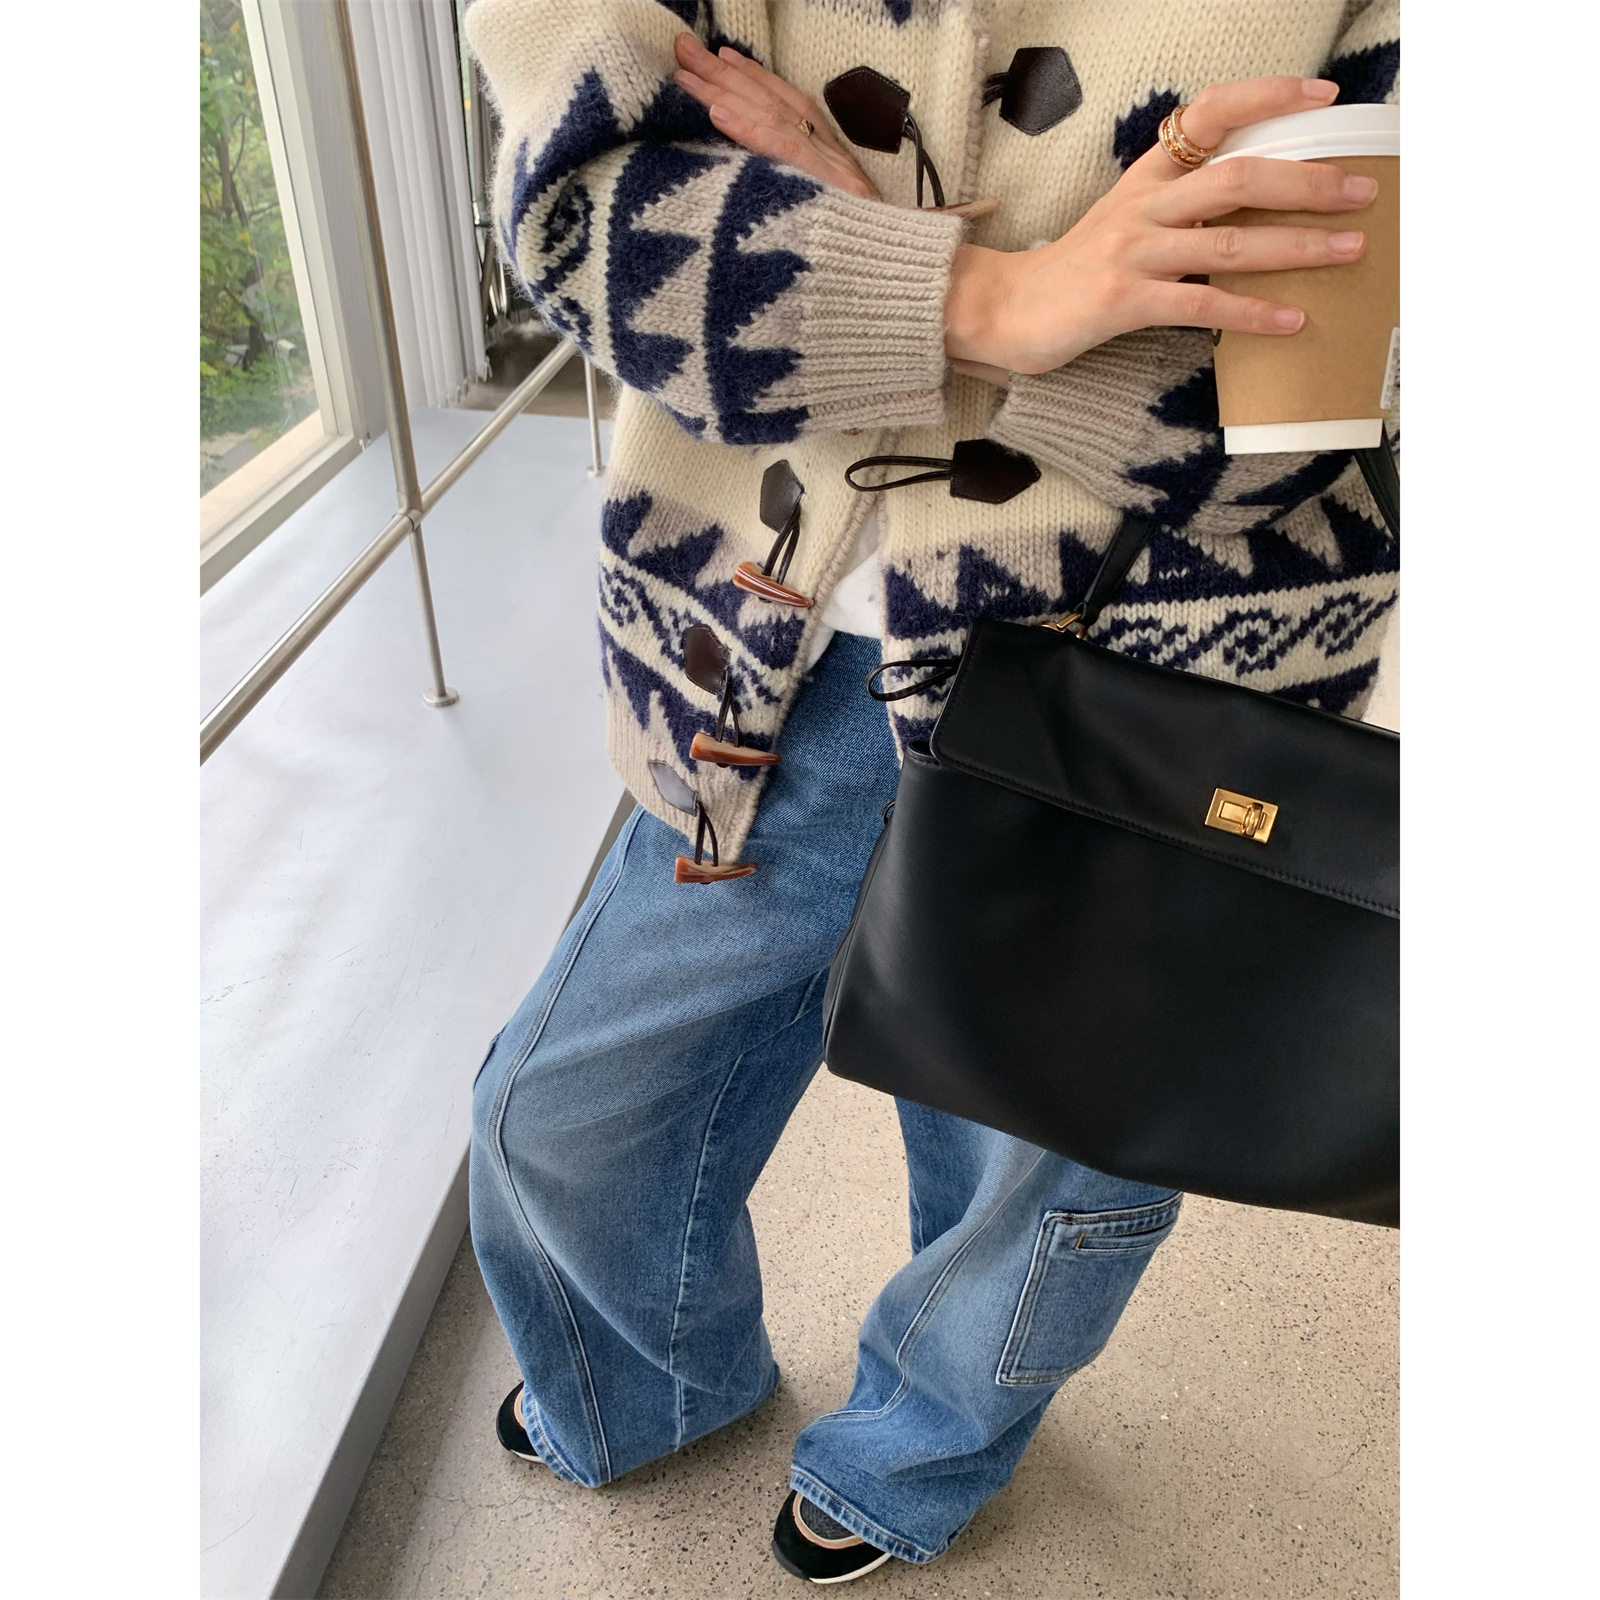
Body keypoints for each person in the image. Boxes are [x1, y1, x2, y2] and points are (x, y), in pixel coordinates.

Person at [463, 0, 1399, 1583]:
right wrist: (981, 297)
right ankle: (650, 1382)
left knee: (1036, 1168)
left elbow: (1364, 372)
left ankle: (917, 1451)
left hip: (1146, 692)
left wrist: (891, 278)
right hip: (757, 656)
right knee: (562, 1113)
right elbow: (581, 218)